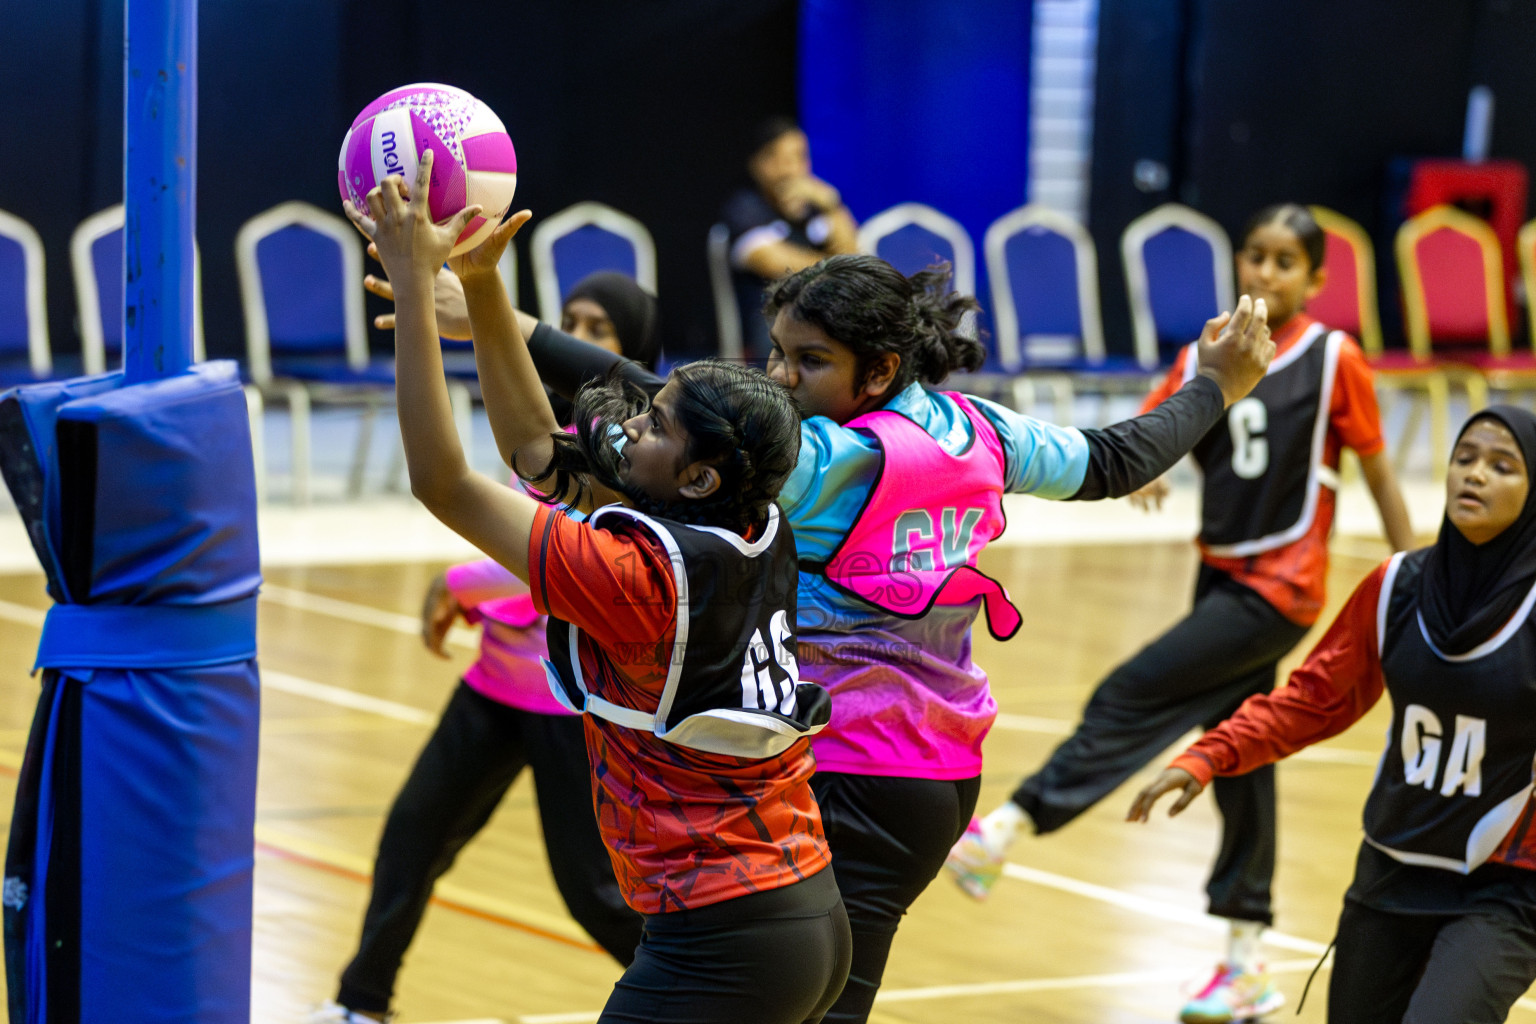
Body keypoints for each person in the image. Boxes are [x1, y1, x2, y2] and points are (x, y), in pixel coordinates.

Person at [506, 250, 1275, 1023]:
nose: (779, 376)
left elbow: (685, 408)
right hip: (938, 778)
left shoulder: (826, 461)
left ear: (878, 370)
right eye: (776, 351)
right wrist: (1216, 386)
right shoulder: (982, 429)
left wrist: (506, 324)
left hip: (849, 771)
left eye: (809, 360)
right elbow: (1115, 459)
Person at [343, 154, 851, 1024]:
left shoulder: (632, 576)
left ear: (694, 477)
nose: (627, 425)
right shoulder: (753, 523)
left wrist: (416, 299)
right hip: (800, 911)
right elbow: (540, 452)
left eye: (653, 423)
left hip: (724, 938)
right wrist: (482, 282)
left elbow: (445, 483)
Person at [946, 202, 1415, 1023]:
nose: (1263, 275)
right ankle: (1246, 962)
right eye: (1254, 257)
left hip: (1280, 588)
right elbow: (1168, 417)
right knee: (1243, 756)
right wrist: (1153, 466)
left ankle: (1011, 826)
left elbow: (1377, 470)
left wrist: (1419, 572)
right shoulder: (1216, 349)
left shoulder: (1336, 357)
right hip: (1220, 574)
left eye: (1282, 263)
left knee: (1133, 690)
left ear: (1314, 279)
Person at [310, 272, 659, 1024]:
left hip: (571, 700)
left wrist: (461, 584)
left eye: (598, 329)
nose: (575, 336)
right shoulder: (532, 415)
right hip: (496, 683)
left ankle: (714, 1001)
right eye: (569, 320)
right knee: (413, 835)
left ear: (631, 353)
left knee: (591, 890)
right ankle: (359, 1002)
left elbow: (561, 562)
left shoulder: (634, 453)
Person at [1130, 406, 1536, 1024]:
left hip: (1506, 887)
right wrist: (1212, 752)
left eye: (1501, 466)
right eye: (1464, 458)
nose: (1474, 475)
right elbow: (1314, 698)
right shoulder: (1398, 584)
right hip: (1393, 863)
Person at [720, 117, 858, 358]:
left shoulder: (813, 210)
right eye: (784, 159)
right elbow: (775, 263)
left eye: (800, 158)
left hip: (825, 315)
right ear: (759, 164)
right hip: (772, 325)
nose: (794, 169)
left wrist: (831, 204)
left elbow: (855, 257)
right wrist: (839, 267)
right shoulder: (745, 209)